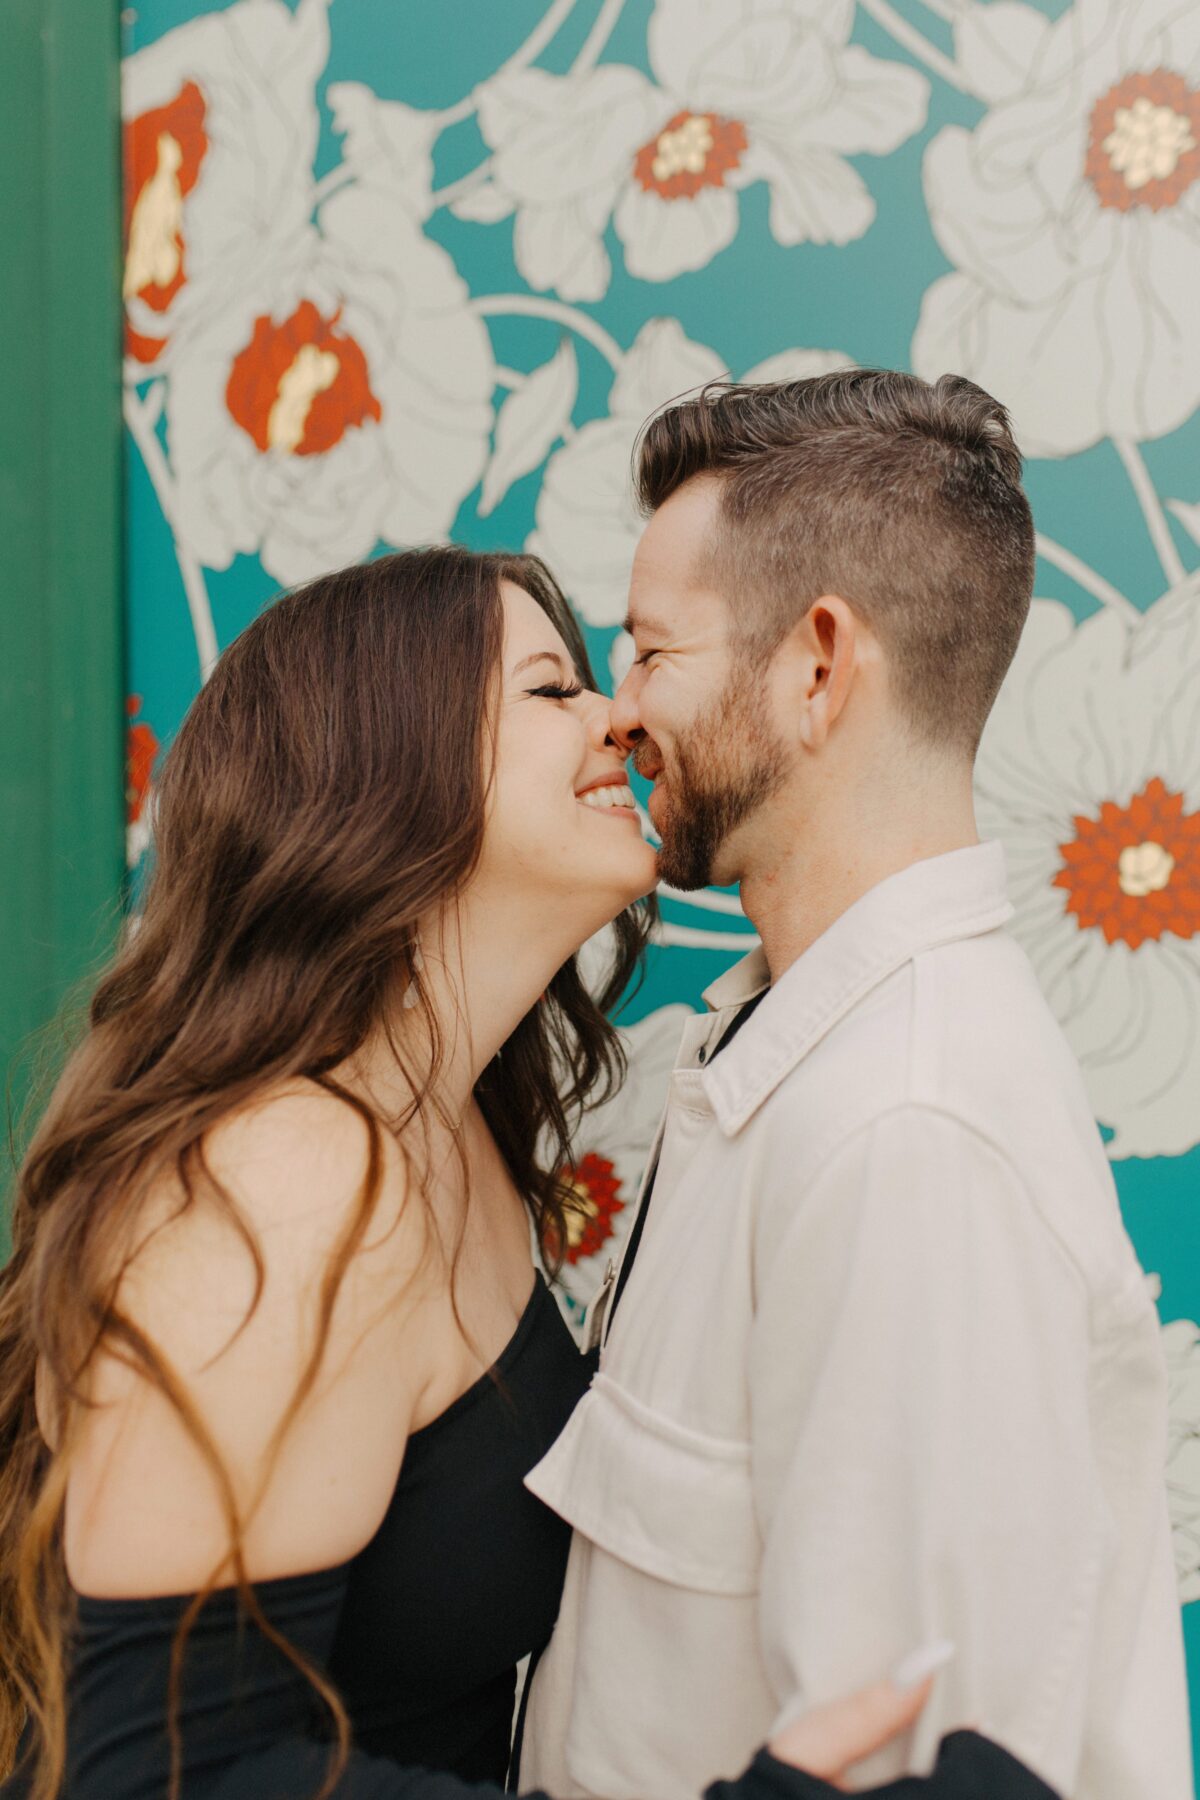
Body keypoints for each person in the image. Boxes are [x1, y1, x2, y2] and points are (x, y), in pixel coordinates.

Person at [0, 546, 974, 1800]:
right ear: (382, 773)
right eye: (552, 688)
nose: (620, 716)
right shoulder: (288, 1178)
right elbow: (151, 1777)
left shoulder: (453, 1132)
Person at [520, 371, 1193, 1800]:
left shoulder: (905, 1137)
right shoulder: (789, 1052)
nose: (620, 714)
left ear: (817, 666)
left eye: (650, 651)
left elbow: (907, 1770)